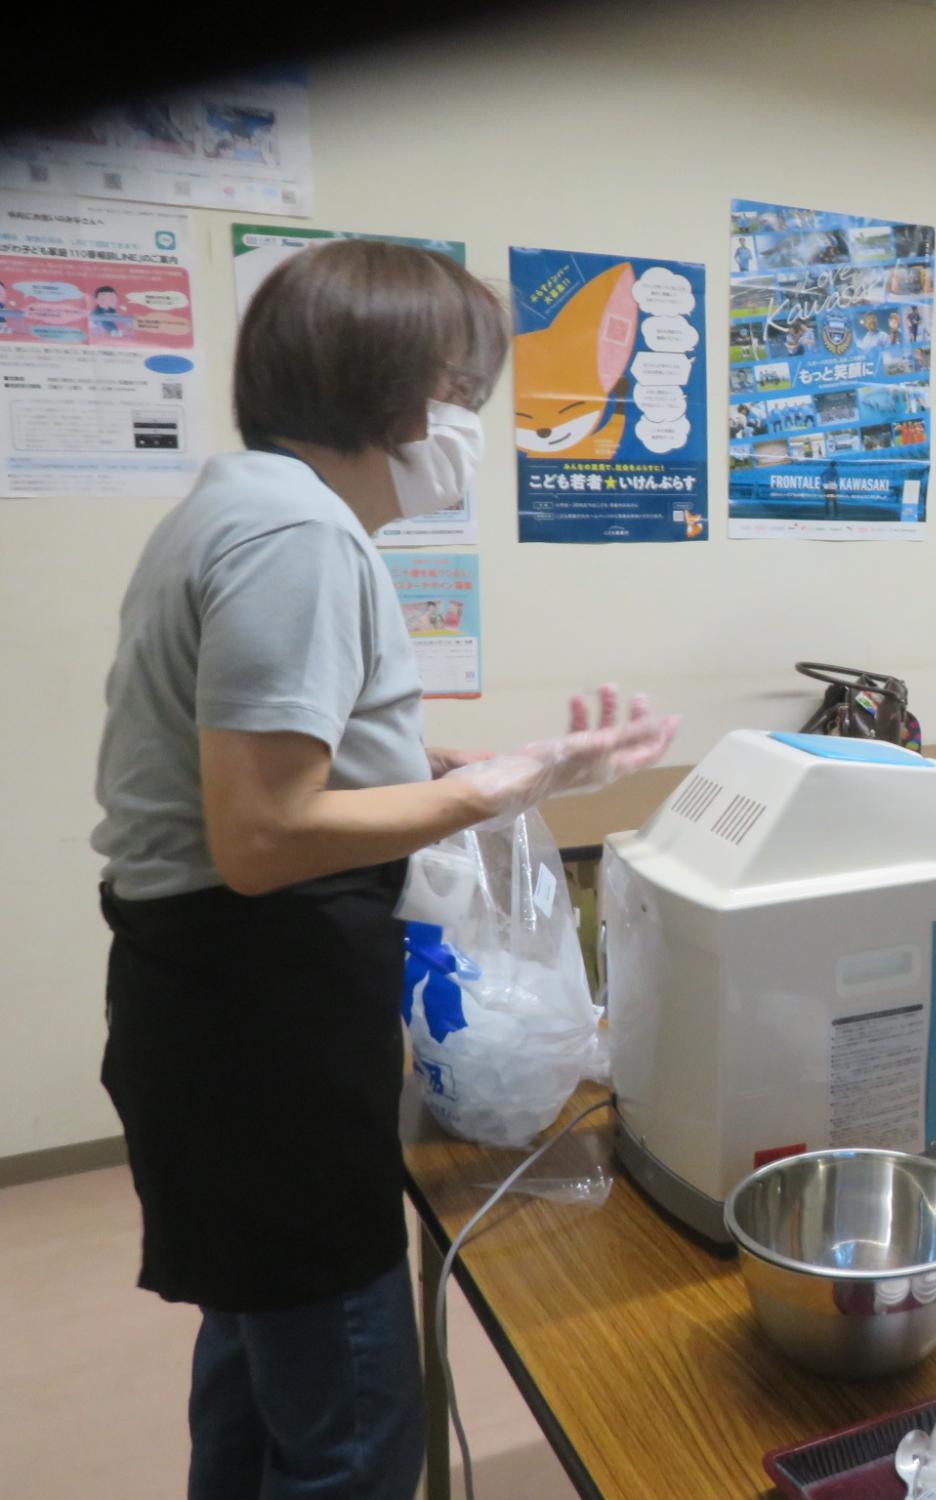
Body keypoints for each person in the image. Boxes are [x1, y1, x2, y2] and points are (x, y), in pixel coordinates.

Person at [91, 238, 677, 1500]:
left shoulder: (241, 505)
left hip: (206, 1006)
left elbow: (296, 759)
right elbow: (258, 836)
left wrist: (497, 760)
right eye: (461, 390)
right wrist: (493, 790)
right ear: (392, 392)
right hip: (257, 1008)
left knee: (256, 1361)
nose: (468, 421)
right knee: (354, 1414)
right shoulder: (297, 536)